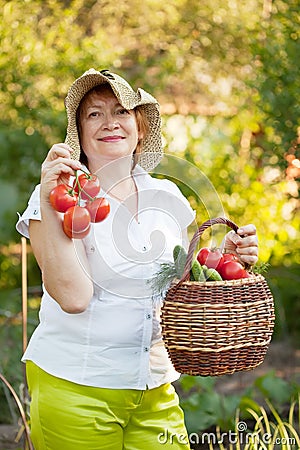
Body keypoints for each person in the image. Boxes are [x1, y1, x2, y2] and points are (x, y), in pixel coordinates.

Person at [16, 68, 258, 450]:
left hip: (155, 387)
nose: (110, 122)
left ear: (139, 128)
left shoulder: (169, 197)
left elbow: (181, 291)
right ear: (78, 134)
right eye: (94, 114)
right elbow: (73, 297)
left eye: (121, 111)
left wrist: (223, 262)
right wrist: (50, 199)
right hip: (78, 388)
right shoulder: (57, 198)